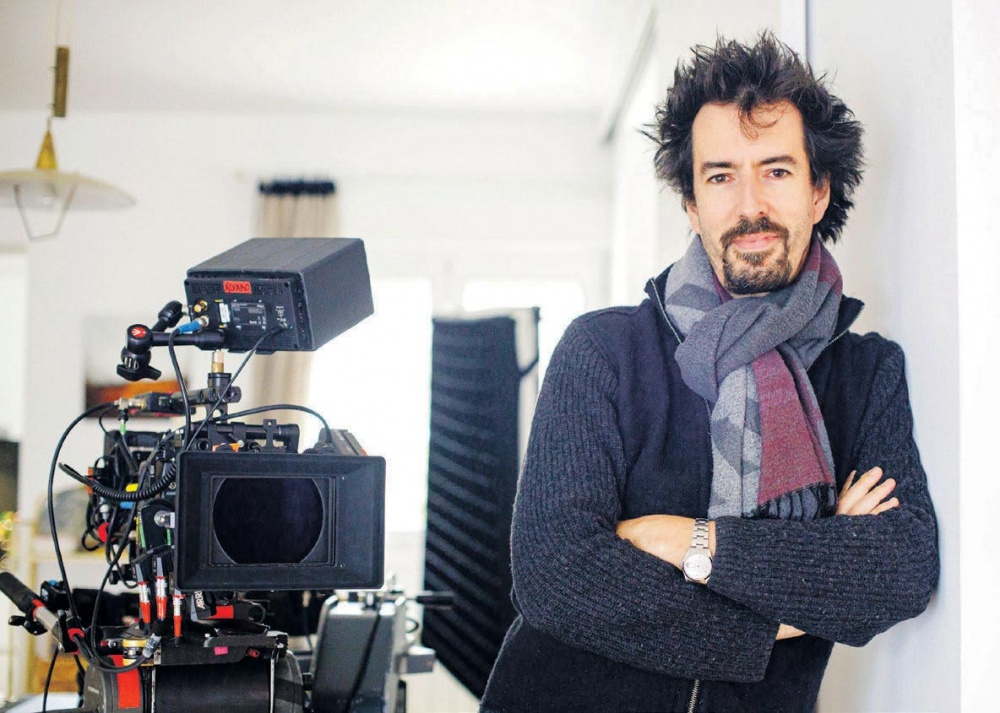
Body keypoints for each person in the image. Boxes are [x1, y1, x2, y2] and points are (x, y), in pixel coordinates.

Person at [480, 32, 939, 712]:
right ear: (692, 204)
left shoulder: (866, 373)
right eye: (720, 176)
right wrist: (798, 598)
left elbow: (899, 570)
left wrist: (687, 540)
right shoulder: (604, 350)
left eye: (776, 171)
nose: (749, 205)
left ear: (819, 191)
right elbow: (557, 575)